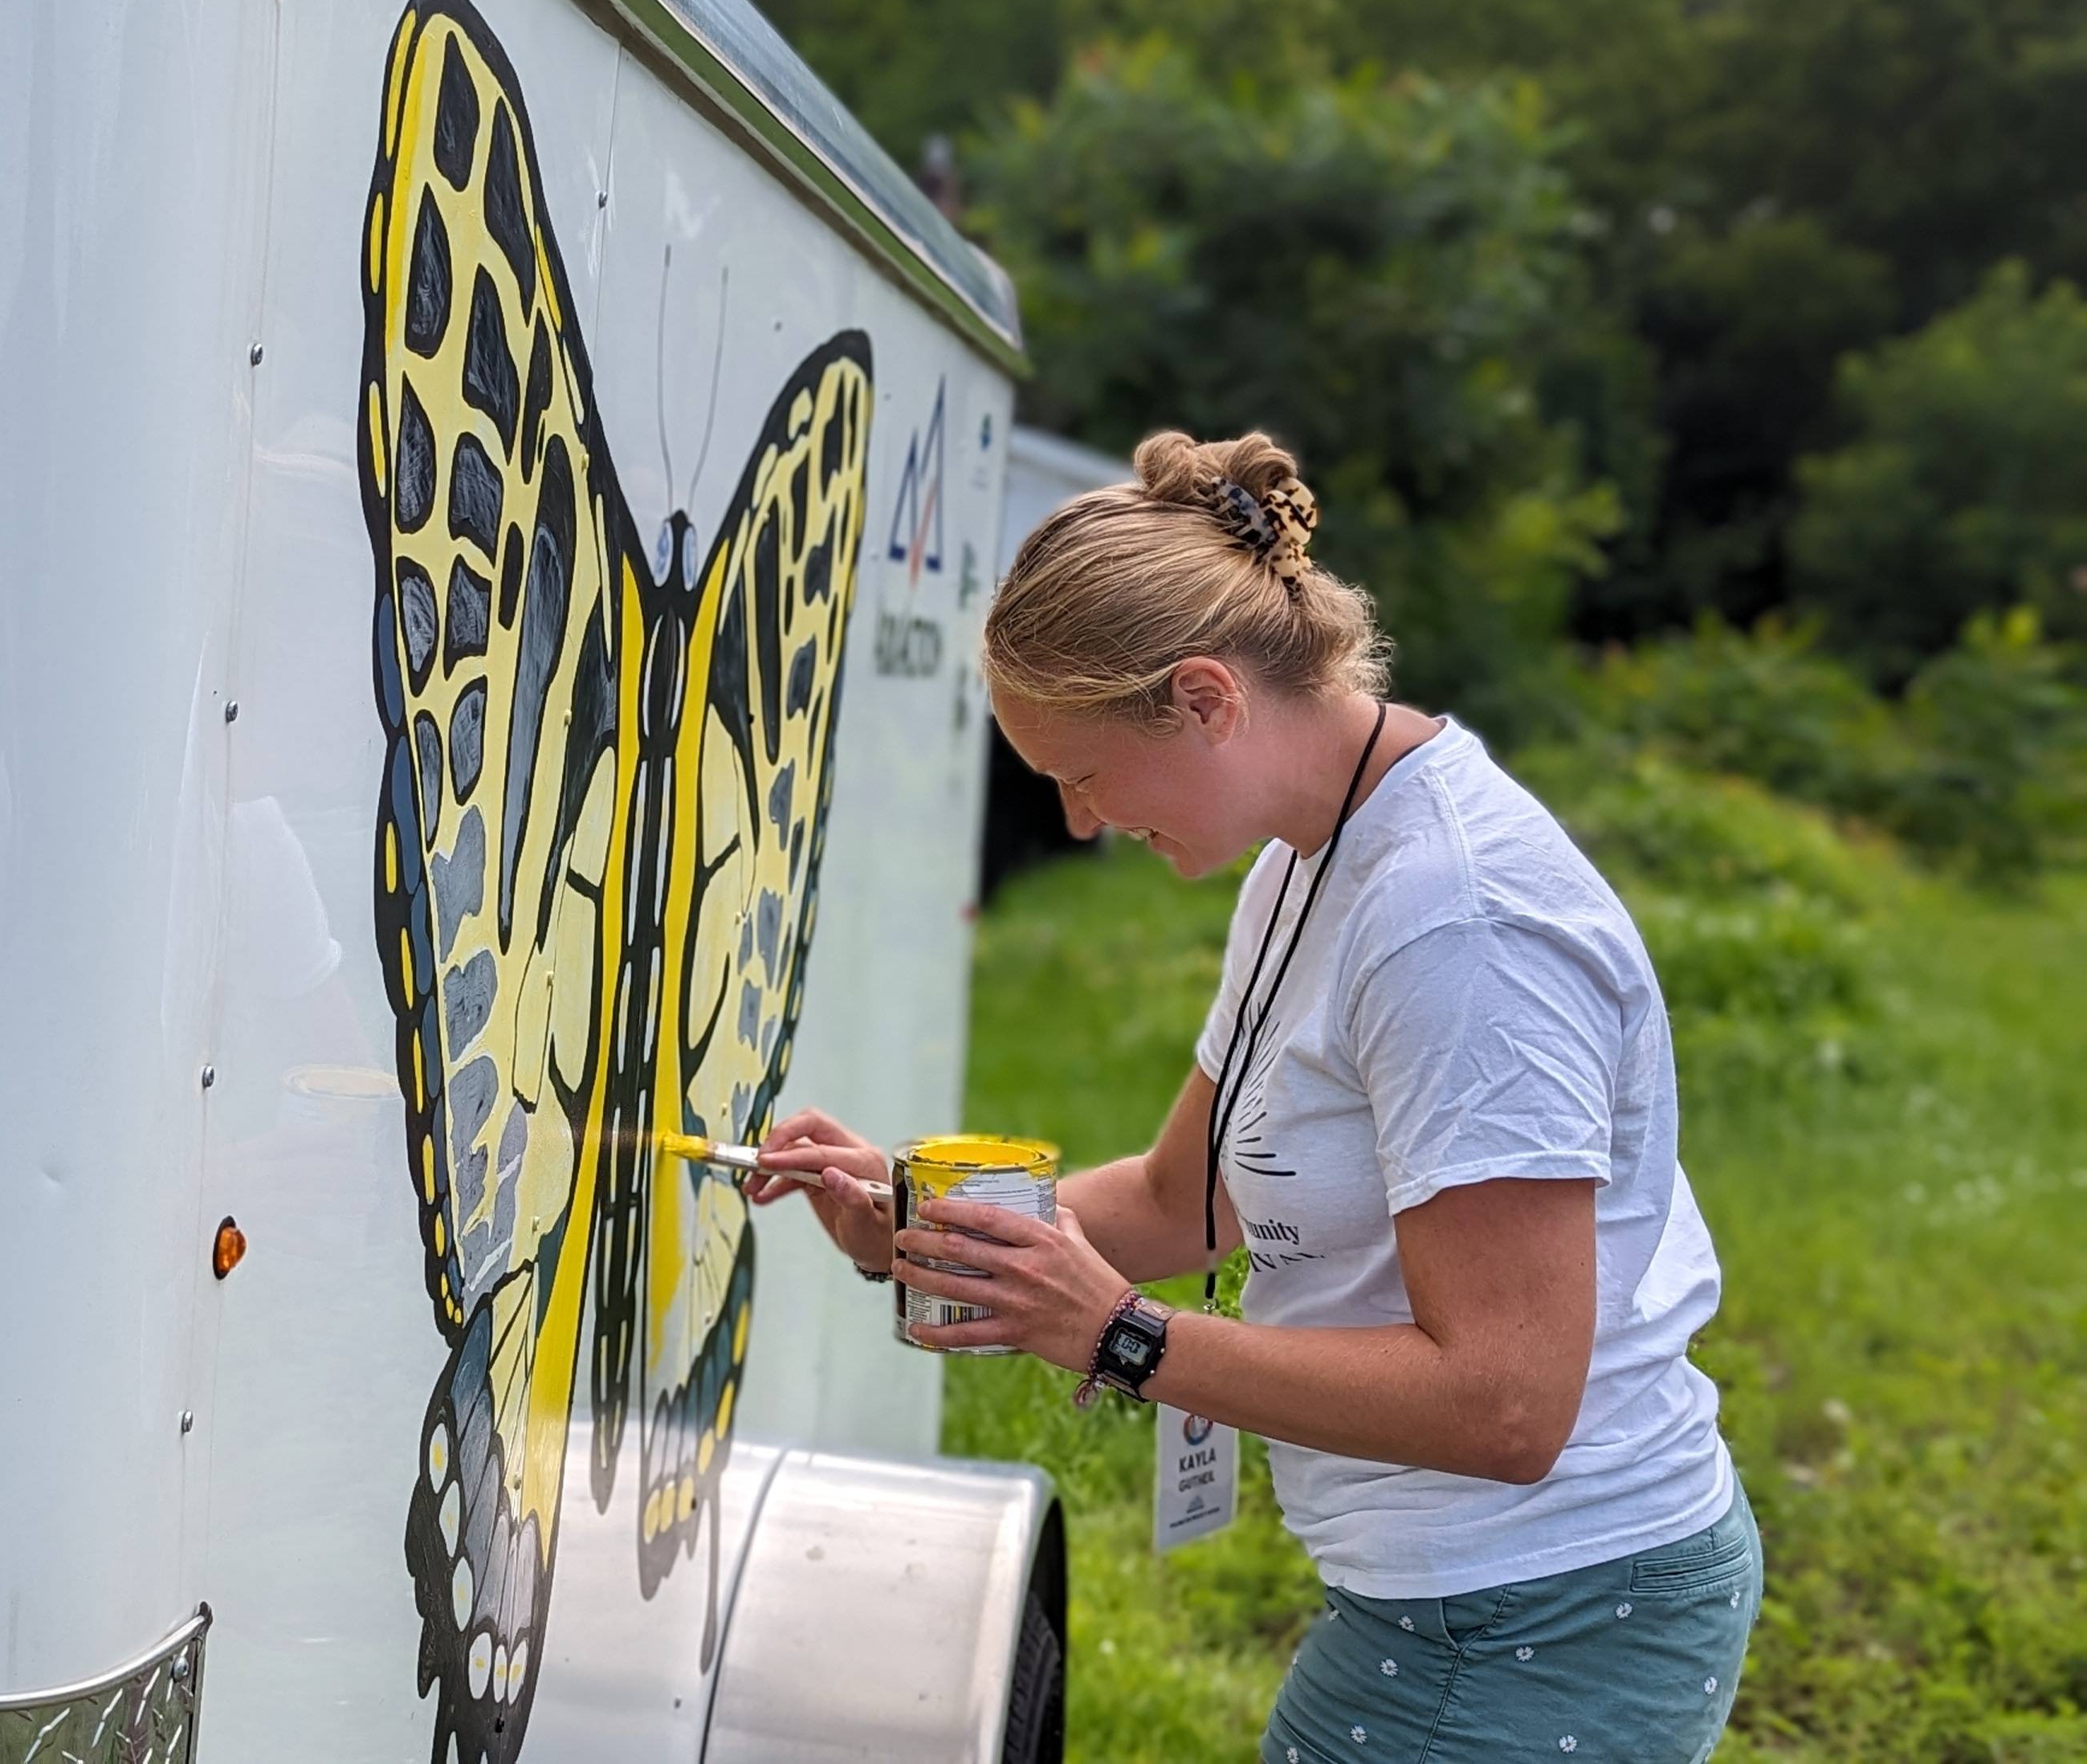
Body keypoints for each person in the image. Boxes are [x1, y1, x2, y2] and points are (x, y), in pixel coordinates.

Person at [751, 430, 1759, 1762]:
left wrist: (1120, 1337)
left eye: (1082, 774)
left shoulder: (1457, 924)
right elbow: (1187, 1199)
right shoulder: (1308, 859)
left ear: (1208, 699)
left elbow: (1508, 1403)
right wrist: (926, 1224)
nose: (1075, 824)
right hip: (1450, 1607)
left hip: (1555, 1614)